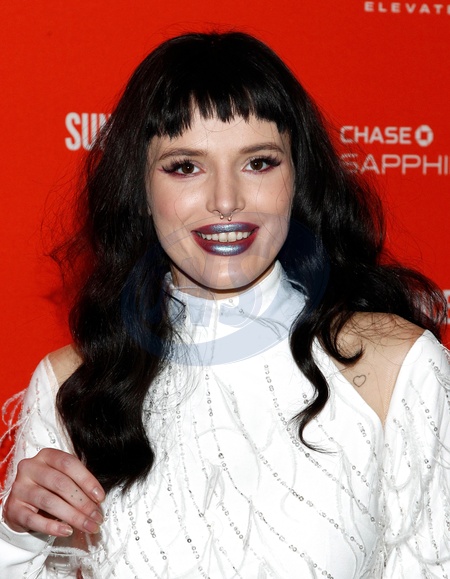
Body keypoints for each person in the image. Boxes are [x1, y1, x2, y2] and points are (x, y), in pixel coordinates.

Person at [0, 31, 448, 578]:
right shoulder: (74, 383)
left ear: (297, 177)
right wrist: (15, 541)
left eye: (258, 162)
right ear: (140, 189)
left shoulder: (395, 367)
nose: (226, 200)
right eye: (185, 167)